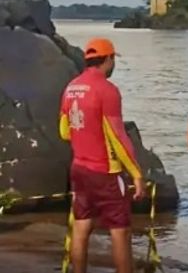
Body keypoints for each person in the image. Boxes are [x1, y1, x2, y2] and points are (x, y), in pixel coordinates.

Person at [58, 38, 145, 273]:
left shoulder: (71, 87)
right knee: (120, 230)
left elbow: (64, 131)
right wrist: (136, 174)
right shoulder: (107, 90)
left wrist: (85, 134)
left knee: (81, 226)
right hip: (105, 171)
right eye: (113, 59)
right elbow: (118, 137)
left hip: (79, 168)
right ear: (108, 59)